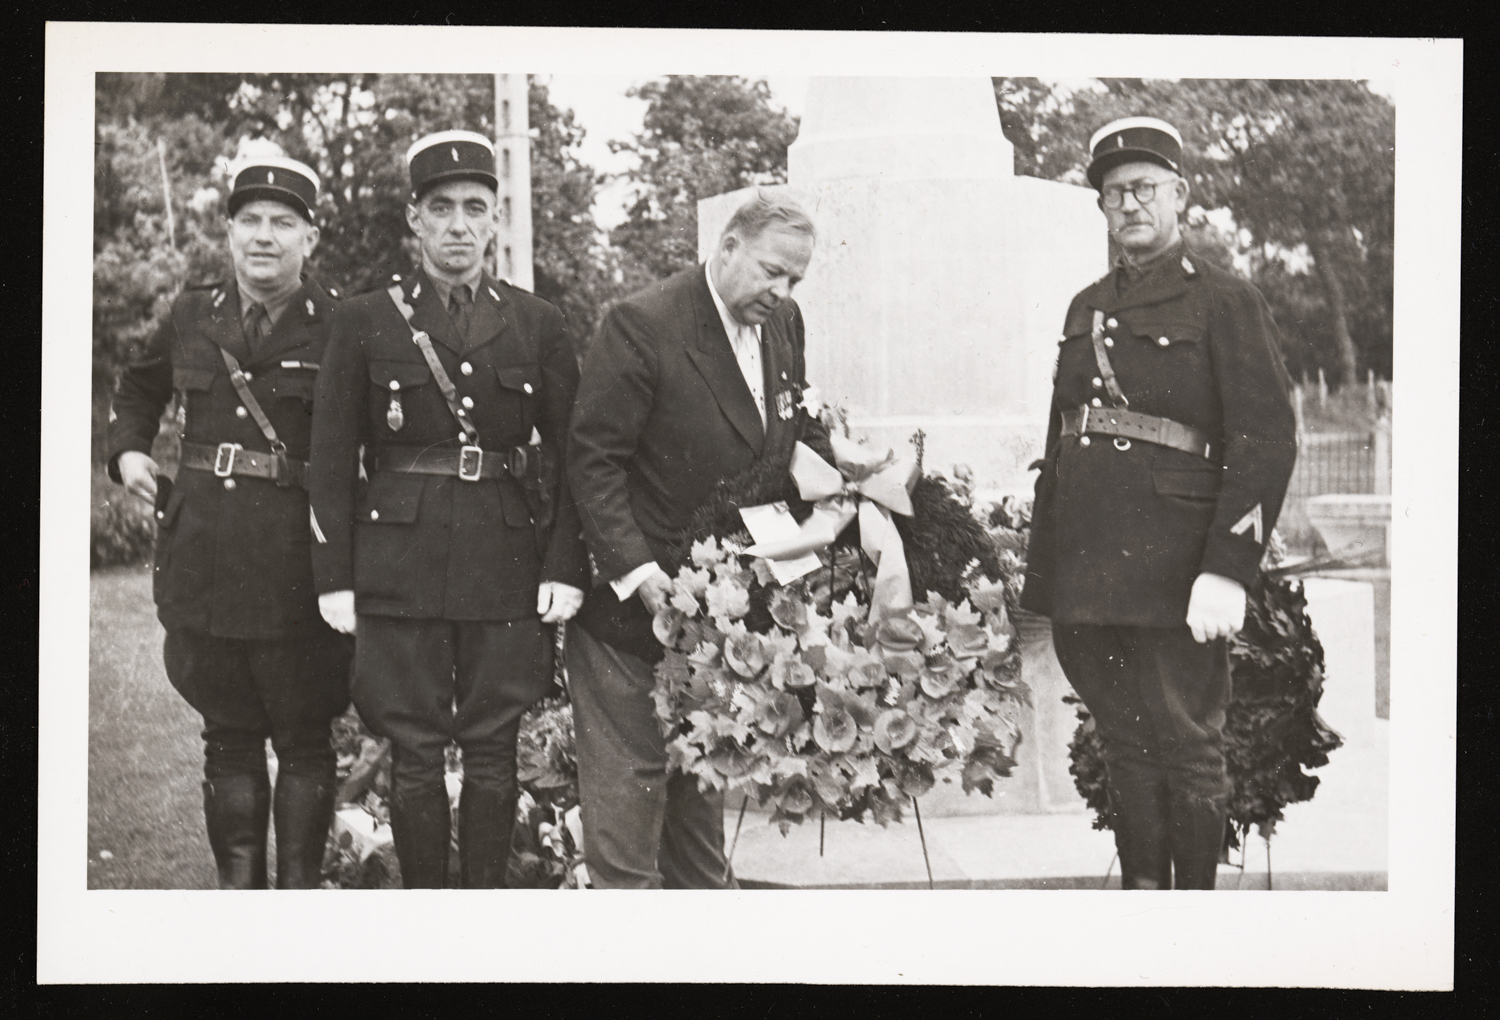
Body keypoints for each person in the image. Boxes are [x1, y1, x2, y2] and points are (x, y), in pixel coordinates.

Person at [1021, 117, 1299, 890]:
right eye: (1112, 194)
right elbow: (1063, 440)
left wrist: (1227, 569)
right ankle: (1142, 906)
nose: (1128, 205)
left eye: (1143, 188)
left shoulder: (1223, 299)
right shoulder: (1085, 306)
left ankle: (1193, 921)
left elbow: (1267, 440)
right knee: (1123, 741)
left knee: (1186, 741)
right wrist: (1045, 571)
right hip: (1089, 567)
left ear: (1180, 195)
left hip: (1176, 567)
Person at [308, 130, 587, 888]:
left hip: (505, 561)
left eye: (474, 207)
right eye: (441, 208)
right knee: (415, 748)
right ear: (414, 219)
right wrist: (335, 577)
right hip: (397, 563)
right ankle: (428, 921)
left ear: (495, 218)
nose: (458, 223)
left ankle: (484, 919)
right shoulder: (364, 319)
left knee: (496, 745)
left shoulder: (538, 323)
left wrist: (565, 563)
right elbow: (331, 459)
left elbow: (572, 456)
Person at [567, 191, 829, 888]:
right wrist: (641, 573)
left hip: (722, 632)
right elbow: (593, 462)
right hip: (630, 626)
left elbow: (791, 439)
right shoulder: (640, 324)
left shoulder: (784, 325)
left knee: (701, 850)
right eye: (772, 271)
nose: (781, 291)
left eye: (794, 280)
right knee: (628, 848)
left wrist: (854, 489)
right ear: (728, 246)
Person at [108, 157, 352, 889]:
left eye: (283, 223)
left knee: (306, 737)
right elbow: (139, 384)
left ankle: (299, 899)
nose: (264, 237)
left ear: (310, 238)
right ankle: (240, 904)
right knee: (228, 735)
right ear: (229, 231)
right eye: (250, 220)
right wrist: (125, 451)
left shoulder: (343, 322)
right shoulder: (192, 314)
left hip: (298, 566)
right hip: (205, 556)